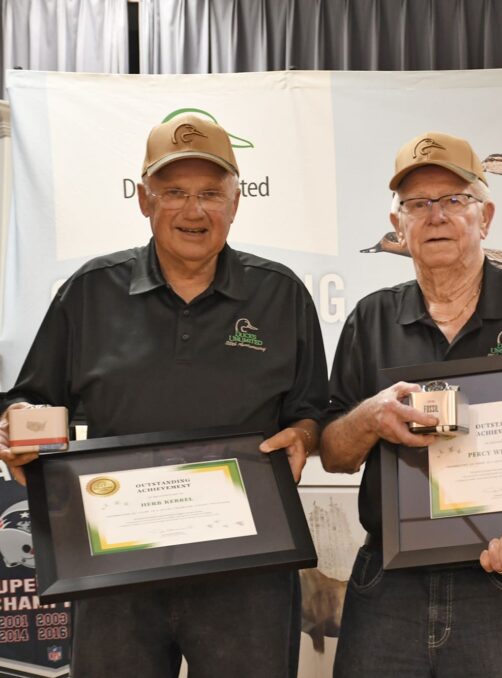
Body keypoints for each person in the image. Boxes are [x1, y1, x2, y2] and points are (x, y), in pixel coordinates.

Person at [0, 113, 328, 677]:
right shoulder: (88, 293)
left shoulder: (282, 295)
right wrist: (21, 426)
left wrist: (302, 435)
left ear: (236, 200)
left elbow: (309, 410)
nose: (193, 211)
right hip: (112, 571)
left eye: (210, 193)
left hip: (245, 573)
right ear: (144, 200)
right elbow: (28, 401)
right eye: (173, 192)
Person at [319, 131, 502, 677]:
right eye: (418, 204)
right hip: (391, 583)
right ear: (399, 225)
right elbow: (336, 454)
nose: (435, 216)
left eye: (453, 200)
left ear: (484, 217)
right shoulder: (370, 320)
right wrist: (368, 417)